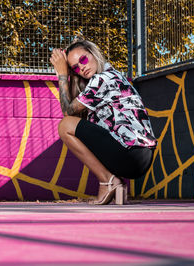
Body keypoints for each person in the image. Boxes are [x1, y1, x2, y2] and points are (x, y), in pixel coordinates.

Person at [49, 37, 157, 205]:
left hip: (132, 154)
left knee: (65, 126)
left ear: (93, 54)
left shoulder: (103, 79)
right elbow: (77, 118)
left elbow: (68, 113)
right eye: (75, 67)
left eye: (83, 59)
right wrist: (71, 76)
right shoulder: (109, 77)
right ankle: (114, 183)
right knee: (73, 125)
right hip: (138, 155)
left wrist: (62, 75)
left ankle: (108, 181)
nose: (82, 67)